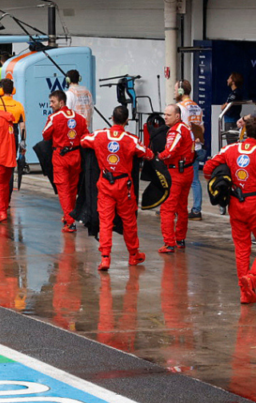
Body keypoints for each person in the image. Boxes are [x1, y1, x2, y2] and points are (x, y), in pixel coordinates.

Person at [204, 115, 256, 304]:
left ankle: (245, 293)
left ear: (246, 131)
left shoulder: (229, 149)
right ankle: (252, 277)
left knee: (242, 248)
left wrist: (221, 182)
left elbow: (208, 169)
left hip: (235, 204)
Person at [81, 106, 154, 271]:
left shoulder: (100, 135)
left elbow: (83, 141)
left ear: (112, 118)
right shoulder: (131, 140)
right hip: (124, 187)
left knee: (105, 222)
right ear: (127, 120)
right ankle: (133, 255)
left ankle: (105, 257)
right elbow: (147, 154)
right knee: (129, 222)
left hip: (105, 185)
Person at [41, 89, 88, 232]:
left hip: (61, 157)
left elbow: (45, 135)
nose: (50, 105)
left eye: (52, 102)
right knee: (73, 189)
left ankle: (69, 221)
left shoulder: (54, 118)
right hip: (76, 157)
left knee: (63, 190)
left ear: (61, 102)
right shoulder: (80, 118)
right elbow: (86, 137)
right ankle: (69, 215)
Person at [157, 103, 196, 254]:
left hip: (176, 174)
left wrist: (158, 158)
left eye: (168, 115)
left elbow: (170, 152)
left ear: (177, 116)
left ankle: (169, 243)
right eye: (164, 114)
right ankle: (180, 239)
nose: (165, 118)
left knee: (167, 209)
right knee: (182, 208)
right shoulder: (186, 128)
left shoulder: (176, 130)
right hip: (187, 171)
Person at [174, 80, 206, 221]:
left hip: (185, 149)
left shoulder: (179, 107)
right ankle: (196, 209)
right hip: (197, 147)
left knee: (178, 179)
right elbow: (202, 128)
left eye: (176, 89)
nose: (175, 92)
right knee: (195, 180)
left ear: (181, 91)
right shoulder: (196, 107)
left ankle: (175, 208)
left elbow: (178, 129)